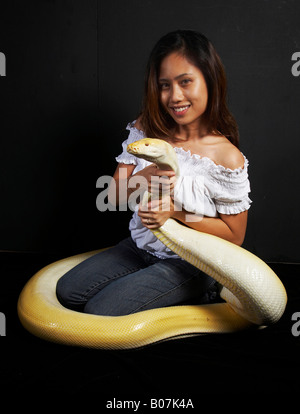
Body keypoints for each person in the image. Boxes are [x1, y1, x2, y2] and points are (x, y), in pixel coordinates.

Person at [56, 30, 252, 316]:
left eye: (186, 82)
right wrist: (144, 177)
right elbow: (112, 196)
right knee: (67, 292)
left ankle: (203, 291)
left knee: (101, 310)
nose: (175, 96)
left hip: (189, 262)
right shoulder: (145, 130)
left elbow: (235, 235)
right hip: (138, 248)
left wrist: (175, 213)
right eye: (164, 85)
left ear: (209, 80)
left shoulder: (225, 156)